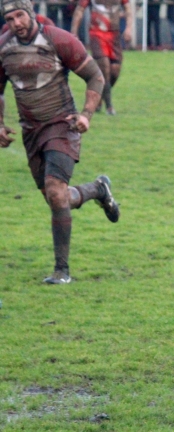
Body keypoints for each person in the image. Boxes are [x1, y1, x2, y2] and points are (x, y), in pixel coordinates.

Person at [0, 0, 120, 284]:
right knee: (58, 199)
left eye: (20, 15)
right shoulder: (4, 47)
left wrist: (87, 115)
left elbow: (95, 76)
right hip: (30, 131)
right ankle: (98, 189)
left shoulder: (58, 39)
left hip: (62, 125)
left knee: (56, 193)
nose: (16, 23)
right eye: (9, 18)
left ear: (31, 13)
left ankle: (61, 271)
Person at [71, 0, 133, 116]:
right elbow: (79, 9)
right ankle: (109, 107)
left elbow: (128, 9)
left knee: (115, 71)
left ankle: (99, 97)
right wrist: (74, 32)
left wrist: (129, 28)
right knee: (104, 68)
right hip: (97, 33)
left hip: (114, 35)